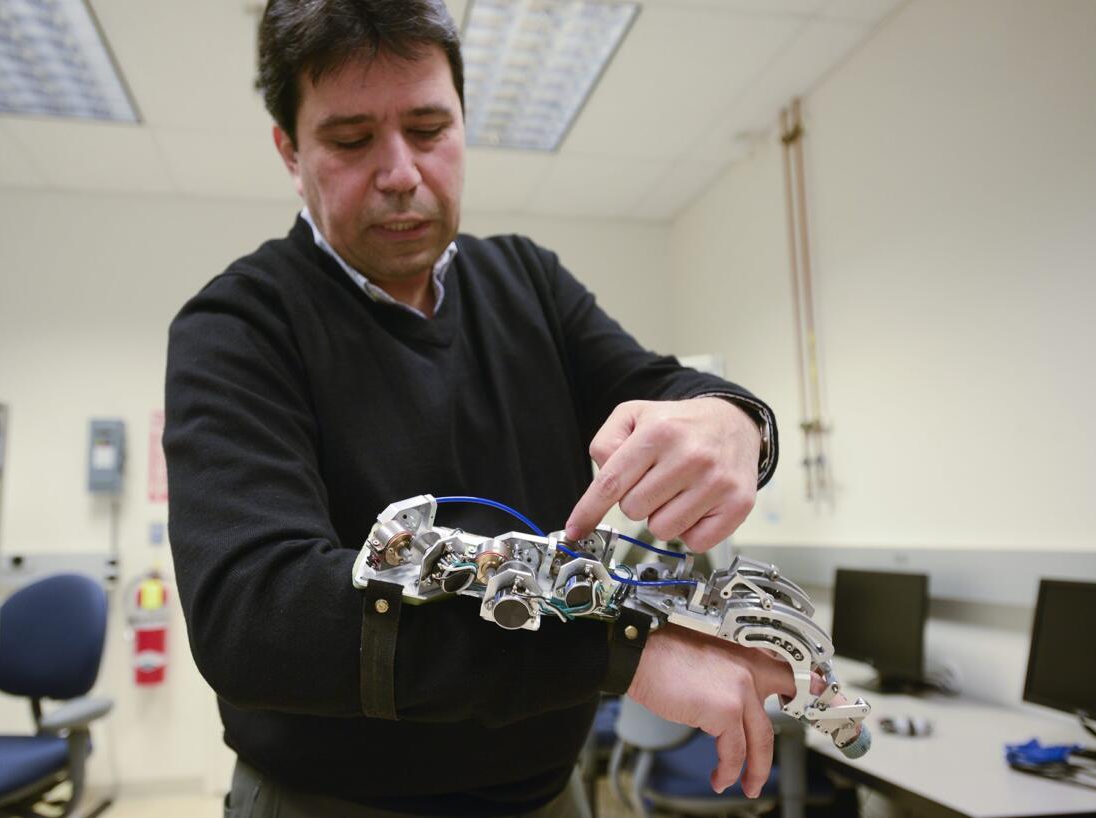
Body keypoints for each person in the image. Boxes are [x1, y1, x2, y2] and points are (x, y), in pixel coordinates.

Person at [163, 1, 797, 815]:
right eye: (352, 141)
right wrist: (616, 654)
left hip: (546, 795)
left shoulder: (528, 283)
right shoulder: (240, 326)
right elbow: (260, 619)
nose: (399, 172)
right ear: (290, 150)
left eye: (429, 129)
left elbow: (661, 384)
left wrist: (737, 421)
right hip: (328, 802)